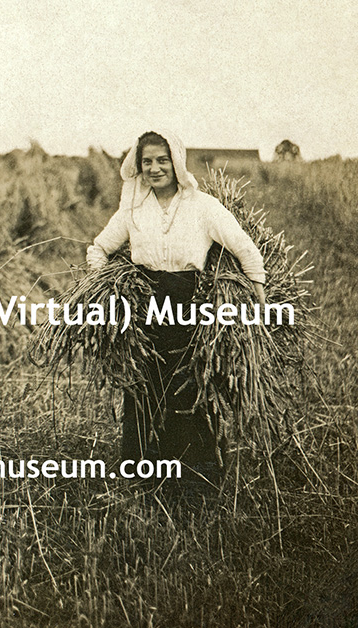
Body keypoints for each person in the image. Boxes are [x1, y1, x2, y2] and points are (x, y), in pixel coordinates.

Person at [86, 130, 266, 483]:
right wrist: (105, 283)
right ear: (138, 167)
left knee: (187, 384)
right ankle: (142, 473)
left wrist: (257, 287)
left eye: (162, 160)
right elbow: (99, 247)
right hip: (142, 308)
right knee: (142, 385)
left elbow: (243, 247)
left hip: (188, 306)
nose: (154, 168)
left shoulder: (202, 206)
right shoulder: (133, 209)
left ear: (177, 163)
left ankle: (193, 477)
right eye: (147, 162)